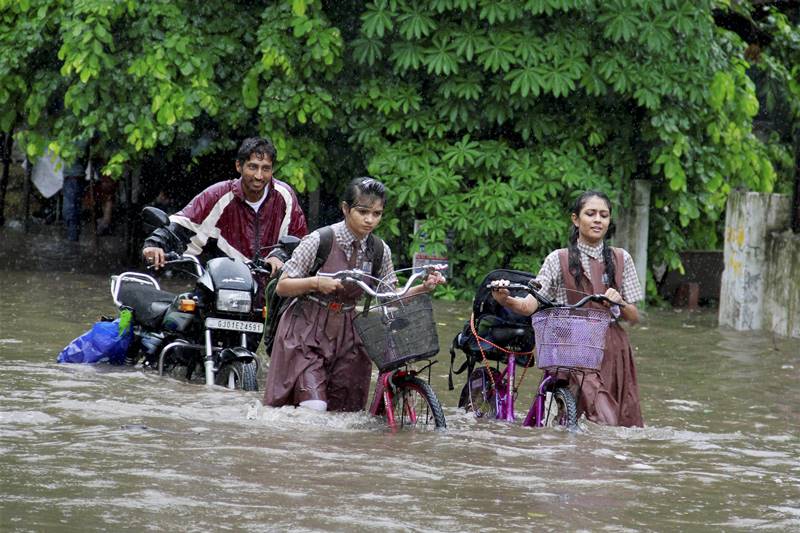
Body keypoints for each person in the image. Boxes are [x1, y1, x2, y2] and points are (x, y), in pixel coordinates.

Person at [264, 177, 446, 413]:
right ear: (345, 209)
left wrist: (423, 288)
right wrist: (316, 282)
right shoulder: (319, 240)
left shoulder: (380, 250)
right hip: (306, 329)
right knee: (314, 406)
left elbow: (389, 296)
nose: (370, 220)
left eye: (377, 213)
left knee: (346, 413)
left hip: (350, 333)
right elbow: (283, 286)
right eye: (362, 212)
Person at [491, 190, 644, 427]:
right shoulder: (557, 259)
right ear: (575, 219)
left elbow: (634, 317)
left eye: (604, 215)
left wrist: (620, 302)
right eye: (590, 214)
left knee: (619, 426)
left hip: (613, 351)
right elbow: (530, 305)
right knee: (594, 421)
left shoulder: (621, 258)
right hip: (571, 347)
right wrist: (506, 300)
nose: (598, 220)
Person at [142, 137, 308, 273]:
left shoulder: (284, 196)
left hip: (274, 292)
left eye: (265, 169)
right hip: (227, 285)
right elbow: (182, 224)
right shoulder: (218, 194)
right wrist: (155, 245)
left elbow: (300, 241)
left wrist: (279, 255)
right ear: (239, 166)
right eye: (252, 167)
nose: (259, 175)